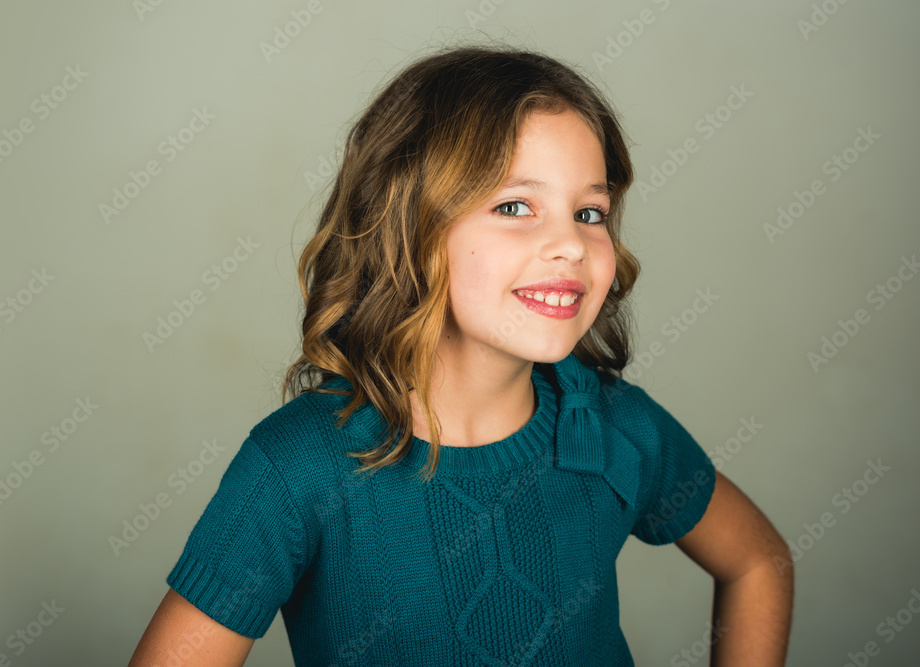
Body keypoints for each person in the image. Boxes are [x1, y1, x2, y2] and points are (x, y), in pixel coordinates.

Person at [128, 44, 794, 666]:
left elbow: (758, 562)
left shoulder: (620, 428)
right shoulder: (296, 468)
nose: (571, 243)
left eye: (589, 213)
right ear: (408, 229)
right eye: (516, 206)